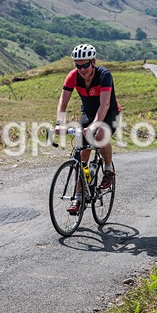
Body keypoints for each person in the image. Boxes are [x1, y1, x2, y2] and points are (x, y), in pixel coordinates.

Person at [56, 44, 121, 215]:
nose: (82, 69)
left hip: (109, 113)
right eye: (78, 66)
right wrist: (58, 123)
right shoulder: (73, 77)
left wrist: (94, 125)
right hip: (88, 113)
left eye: (85, 65)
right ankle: (79, 197)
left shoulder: (104, 75)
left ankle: (108, 169)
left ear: (93, 62)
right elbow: (63, 102)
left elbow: (105, 104)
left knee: (100, 137)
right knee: (81, 156)